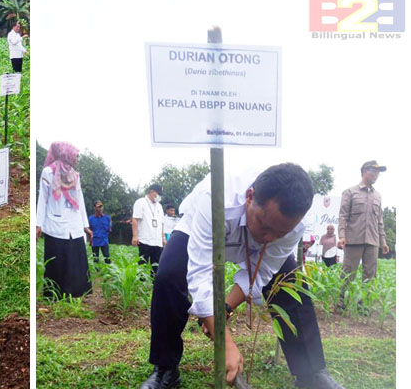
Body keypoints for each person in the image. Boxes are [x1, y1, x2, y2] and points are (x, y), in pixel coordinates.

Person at [140, 164, 345, 389]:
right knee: (168, 276)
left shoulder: (292, 227)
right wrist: (225, 342)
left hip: (251, 244)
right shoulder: (216, 199)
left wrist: (224, 309)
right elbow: (199, 274)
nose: (268, 238)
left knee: (290, 281)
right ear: (250, 197)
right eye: (265, 226)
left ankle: (311, 373)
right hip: (199, 228)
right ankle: (166, 369)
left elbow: (263, 271)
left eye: (280, 233)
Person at [36, 142, 92, 298]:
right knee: (57, 260)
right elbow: (43, 198)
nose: (77, 158)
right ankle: (55, 294)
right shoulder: (49, 172)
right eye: (75, 155)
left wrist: (85, 226)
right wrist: (38, 224)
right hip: (55, 223)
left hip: (74, 223)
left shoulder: (74, 175)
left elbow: (79, 199)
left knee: (74, 259)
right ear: (66, 154)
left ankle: (75, 292)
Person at [337, 160, 389, 308]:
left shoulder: (378, 196)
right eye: (374, 171)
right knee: (348, 274)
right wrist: (342, 236)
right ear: (365, 171)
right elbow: (343, 216)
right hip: (354, 240)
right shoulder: (350, 192)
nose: (376, 175)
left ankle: (364, 305)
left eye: (378, 173)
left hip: (373, 241)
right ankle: (342, 303)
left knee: (370, 276)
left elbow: (380, 221)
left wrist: (383, 241)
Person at [132, 184, 166, 276]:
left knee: (157, 264)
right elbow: (135, 219)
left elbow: (162, 223)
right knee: (142, 263)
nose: (159, 196)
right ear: (152, 192)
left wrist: (163, 238)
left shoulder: (159, 206)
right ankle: (140, 283)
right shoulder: (141, 202)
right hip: (145, 239)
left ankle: (154, 283)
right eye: (158, 194)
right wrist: (135, 236)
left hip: (157, 241)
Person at [88, 200, 112, 265]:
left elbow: (109, 229)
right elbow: (89, 230)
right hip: (95, 241)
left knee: (107, 257)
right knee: (95, 259)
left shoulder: (107, 218)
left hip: (104, 240)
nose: (100, 208)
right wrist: (90, 240)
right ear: (95, 208)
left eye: (101, 206)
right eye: (98, 207)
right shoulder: (91, 219)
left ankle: (109, 271)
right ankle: (97, 272)